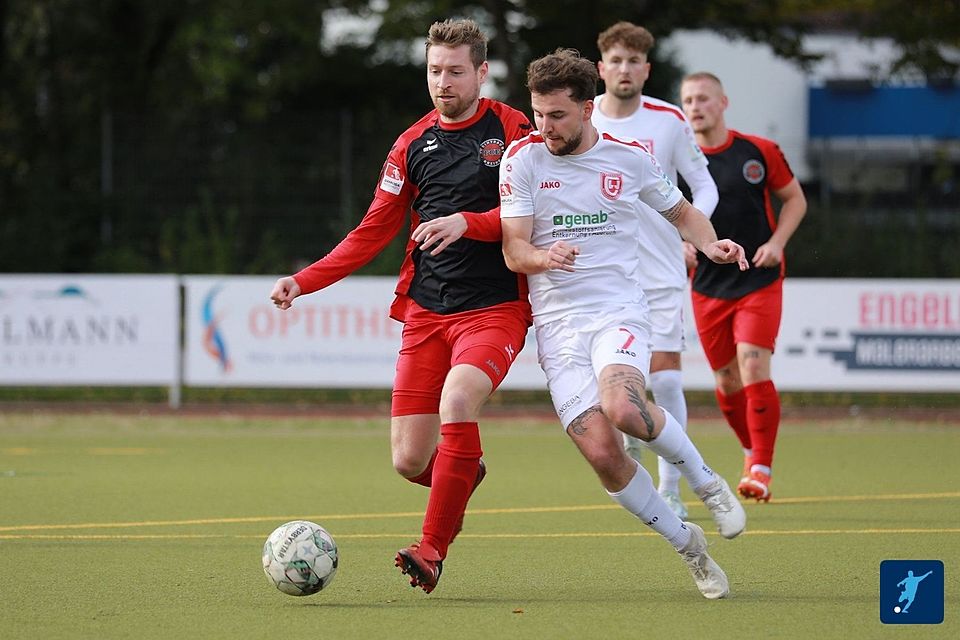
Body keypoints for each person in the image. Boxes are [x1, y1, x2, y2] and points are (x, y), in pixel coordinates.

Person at [270, 19, 533, 594]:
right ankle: (462, 473)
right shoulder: (412, 144)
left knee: (458, 400)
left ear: (483, 73)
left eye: (456, 71)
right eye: (435, 71)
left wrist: (470, 222)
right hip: (426, 312)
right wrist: (304, 279)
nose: (444, 82)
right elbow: (372, 231)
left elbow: (530, 216)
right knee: (410, 460)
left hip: (493, 310)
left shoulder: (515, 130)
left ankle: (430, 550)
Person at [500, 48, 747, 600]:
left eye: (557, 115)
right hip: (558, 329)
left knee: (624, 407)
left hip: (617, 310)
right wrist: (543, 258)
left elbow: (681, 212)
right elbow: (515, 250)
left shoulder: (629, 158)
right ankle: (689, 547)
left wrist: (712, 245)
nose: (545, 127)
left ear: (588, 109)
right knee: (603, 456)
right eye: (538, 114)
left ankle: (707, 484)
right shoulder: (521, 160)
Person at [592, 22, 720, 519]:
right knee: (620, 381)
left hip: (662, 267)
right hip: (602, 270)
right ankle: (637, 452)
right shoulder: (583, 120)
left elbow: (703, 185)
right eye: (616, 61)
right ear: (602, 68)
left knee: (665, 382)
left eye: (634, 61)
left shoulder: (668, 121)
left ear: (647, 69)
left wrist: (693, 234)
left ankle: (671, 488)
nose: (625, 70)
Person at [679, 72, 808, 502]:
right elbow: (661, 213)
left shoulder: (758, 151)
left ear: (723, 102)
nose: (695, 106)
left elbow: (795, 199)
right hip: (709, 285)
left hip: (758, 278)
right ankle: (750, 450)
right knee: (726, 379)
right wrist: (679, 244)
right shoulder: (678, 159)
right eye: (688, 100)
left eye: (703, 98)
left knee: (753, 365)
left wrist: (776, 243)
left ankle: (761, 468)